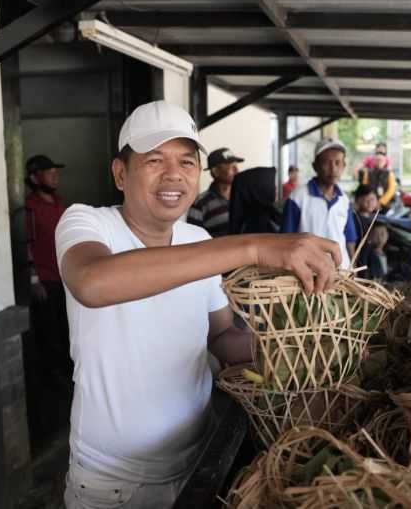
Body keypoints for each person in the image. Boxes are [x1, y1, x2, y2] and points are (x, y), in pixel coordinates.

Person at [56, 101, 340, 509]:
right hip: (114, 484)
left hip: (198, 461)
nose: (174, 175)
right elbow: (92, 282)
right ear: (121, 173)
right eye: (155, 160)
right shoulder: (87, 223)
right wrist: (255, 246)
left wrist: (289, 348)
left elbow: (221, 336)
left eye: (187, 162)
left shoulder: (199, 241)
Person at [25, 154, 71, 383]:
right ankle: (54, 380)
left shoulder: (59, 203)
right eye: (49, 173)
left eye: (56, 173)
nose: (55, 177)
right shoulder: (29, 208)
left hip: (65, 277)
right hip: (45, 280)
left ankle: (66, 372)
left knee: (66, 328)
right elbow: (26, 245)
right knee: (49, 331)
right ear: (34, 177)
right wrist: (34, 279)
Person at [282, 137, 358, 269]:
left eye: (338, 163)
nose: (333, 169)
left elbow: (350, 239)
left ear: (343, 166)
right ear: (315, 166)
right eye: (327, 163)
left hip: (341, 273)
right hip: (309, 272)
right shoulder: (297, 198)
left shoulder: (344, 200)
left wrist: (353, 267)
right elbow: (285, 240)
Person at [187, 147, 243, 237]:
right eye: (232, 167)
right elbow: (193, 239)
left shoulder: (244, 197)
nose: (237, 170)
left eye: (236, 166)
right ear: (215, 171)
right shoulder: (200, 203)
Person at [229, 166, 281, 234]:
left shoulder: (268, 213)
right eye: (271, 184)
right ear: (259, 189)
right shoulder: (257, 224)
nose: (275, 189)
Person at [358, 143, 397, 209]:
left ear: (385, 161)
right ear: (374, 161)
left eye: (381, 160)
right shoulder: (368, 173)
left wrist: (381, 202)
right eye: (377, 160)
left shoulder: (390, 174)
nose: (379, 162)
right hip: (370, 204)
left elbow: (391, 190)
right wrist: (372, 202)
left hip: (386, 203)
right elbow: (365, 188)